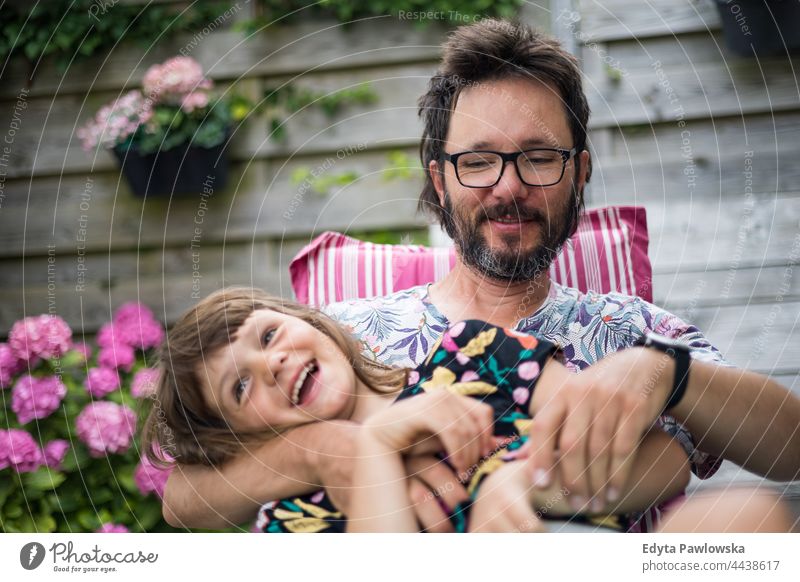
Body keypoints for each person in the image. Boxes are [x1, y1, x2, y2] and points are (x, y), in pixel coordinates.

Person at [162, 18, 800, 532]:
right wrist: (331, 449)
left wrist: (666, 371)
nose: (508, 186)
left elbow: (786, 446)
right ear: (440, 180)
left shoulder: (630, 328)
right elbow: (184, 498)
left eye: (539, 157)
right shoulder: (345, 336)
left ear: (579, 173)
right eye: (478, 161)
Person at [144, 287, 691, 533]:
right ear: (237, 439)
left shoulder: (475, 355)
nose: (273, 363)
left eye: (268, 334)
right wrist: (377, 449)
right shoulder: (296, 517)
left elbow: (667, 461)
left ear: (308, 319)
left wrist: (531, 484)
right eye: (240, 387)